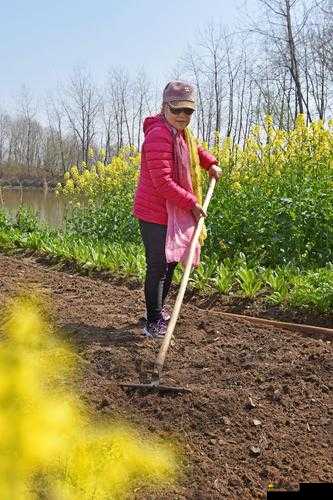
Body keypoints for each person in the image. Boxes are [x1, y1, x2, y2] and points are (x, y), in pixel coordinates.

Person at [133, 80, 222, 338]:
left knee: (170, 263)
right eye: (177, 110)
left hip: (173, 212)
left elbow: (195, 151)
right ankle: (152, 321)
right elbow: (162, 182)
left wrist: (211, 164)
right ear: (164, 107)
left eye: (188, 111)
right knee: (158, 265)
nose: (183, 116)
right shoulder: (159, 134)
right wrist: (191, 202)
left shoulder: (180, 133)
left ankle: (159, 311)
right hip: (154, 213)